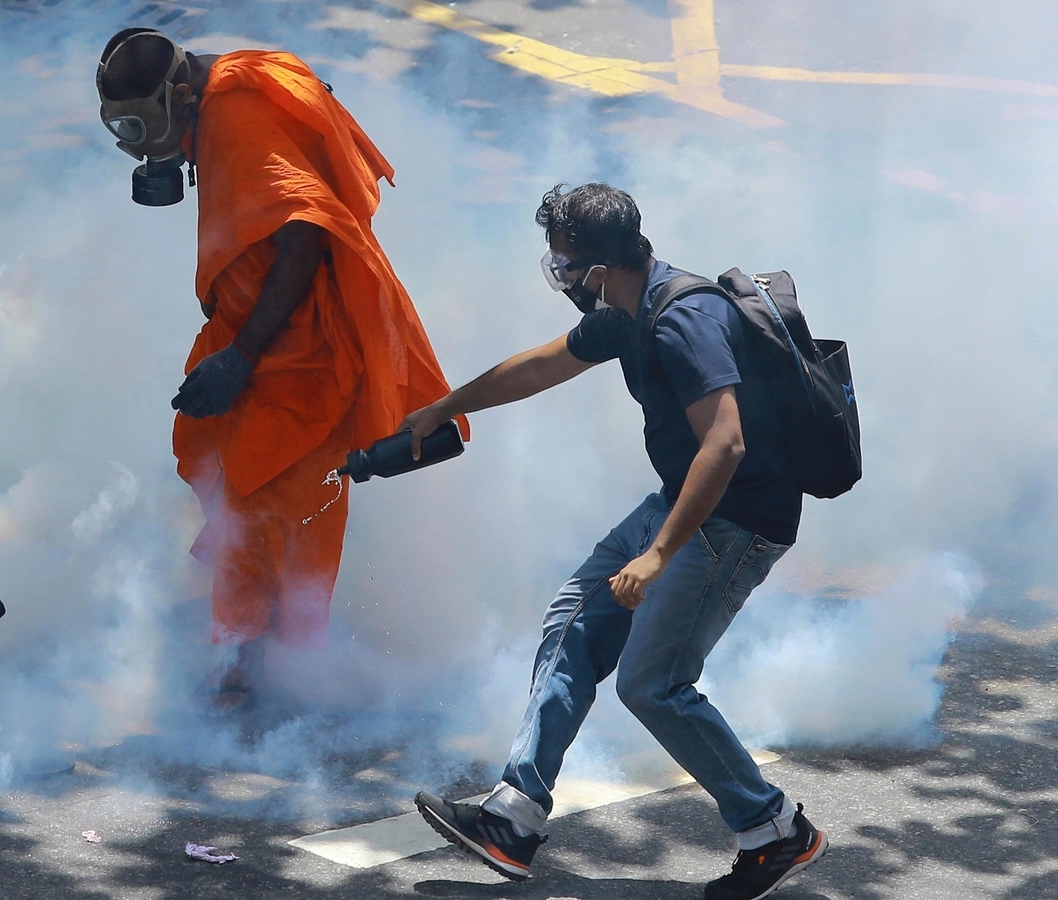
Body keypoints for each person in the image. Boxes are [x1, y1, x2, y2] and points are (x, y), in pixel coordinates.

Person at [406, 184, 826, 899]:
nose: (558, 275)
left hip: (737, 521)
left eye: (564, 263)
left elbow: (724, 443)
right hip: (681, 503)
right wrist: (448, 405)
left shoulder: (679, 321)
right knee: (573, 625)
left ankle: (774, 831)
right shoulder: (625, 312)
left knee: (651, 684)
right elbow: (541, 364)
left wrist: (659, 554)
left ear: (598, 270)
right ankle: (514, 814)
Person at [94, 29, 460, 712]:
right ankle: (256, 648)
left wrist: (242, 356)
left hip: (296, 352)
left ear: (178, 93)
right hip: (252, 335)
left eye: (141, 125)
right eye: (121, 129)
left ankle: (274, 665)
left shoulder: (237, 114)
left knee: (285, 505)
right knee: (241, 488)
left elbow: (303, 230)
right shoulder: (210, 102)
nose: (137, 144)